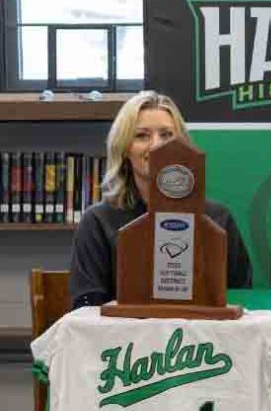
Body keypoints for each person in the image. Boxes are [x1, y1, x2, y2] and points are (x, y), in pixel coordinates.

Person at [69, 91, 252, 309]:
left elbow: (240, 298)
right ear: (124, 148)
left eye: (166, 135)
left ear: (183, 145)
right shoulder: (97, 222)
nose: (156, 146)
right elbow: (86, 307)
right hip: (125, 340)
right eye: (141, 135)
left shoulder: (218, 219)